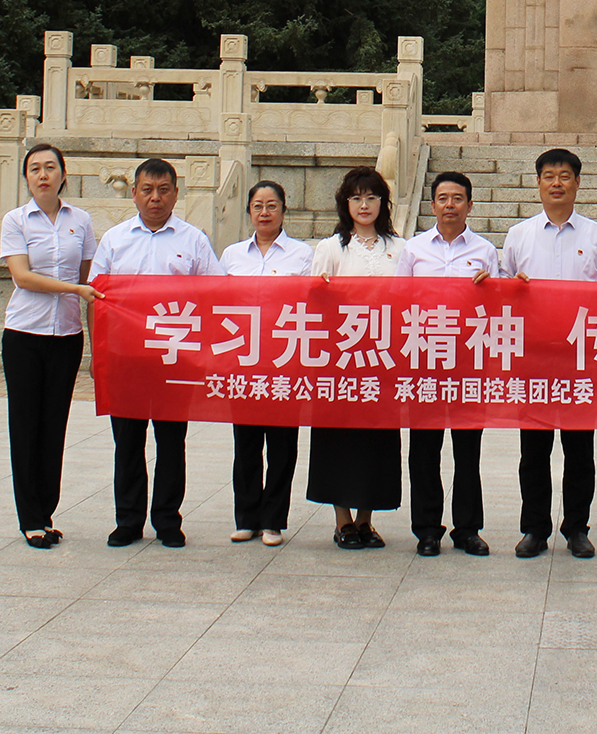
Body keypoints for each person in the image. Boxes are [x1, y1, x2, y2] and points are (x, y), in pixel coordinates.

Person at [496, 147, 597, 559]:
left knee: (579, 450)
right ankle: (534, 528)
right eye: (548, 176)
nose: (556, 183)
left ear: (577, 183)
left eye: (565, 176)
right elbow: (502, 289)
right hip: (533, 356)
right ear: (537, 183)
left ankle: (577, 529)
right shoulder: (519, 234)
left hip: (581, 359)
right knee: (533, 450)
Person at [89, 157, 220, 548]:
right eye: (147, 190)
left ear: (176, 194)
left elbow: (215, 296)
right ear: (133, 193)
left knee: (171, 442)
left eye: (164, 190)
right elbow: (95, 298)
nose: (155, 198)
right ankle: (128, 520)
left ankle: (167, 520)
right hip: (125, 358)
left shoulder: (193, 240)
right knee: (128, 442)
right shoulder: (115, 240)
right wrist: (96, 353)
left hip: (175, 357)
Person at [0, 143, 97, 549]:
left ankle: (46, 512)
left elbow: (91, 282)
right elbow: (22, 277)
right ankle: (30, 519)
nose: (43, 174)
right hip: (24, 335)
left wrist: (95, 344)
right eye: (35, 169)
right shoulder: (15, 220)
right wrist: (73, 289)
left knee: (54, 426)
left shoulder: (81, 221)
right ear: (27, 178)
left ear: (63, 175)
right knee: (25, 426)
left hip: (67, 336)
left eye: (50, 167)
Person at [398, 170, 497, 557]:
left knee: (468, 449)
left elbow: (500, 306)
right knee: (424, 448)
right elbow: (397, 301)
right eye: (443, 198)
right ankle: (427, 529)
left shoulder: (485, 251)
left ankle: (468, 528)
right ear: (433, 204)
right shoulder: (414, 249)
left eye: (457, 198)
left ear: (470, 205)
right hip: (424, 357)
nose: (450, 205)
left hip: (469, 359)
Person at [307, 166, 406, 549]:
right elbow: (314, 300)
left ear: (383, 203)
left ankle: (366, 520)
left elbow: (412, 298)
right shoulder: (331, 248)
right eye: (356, 198)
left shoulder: (400, 248)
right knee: (339, 440)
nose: (364, 205)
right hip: (340, 360)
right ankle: (343, 521)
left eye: (371, 197)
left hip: (384, 360)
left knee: (377, 440)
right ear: (344, 203)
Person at [216, 179, 313, 546]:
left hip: (285, 361)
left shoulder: (302, 255)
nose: (265, 212)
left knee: (282, 445)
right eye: (258, 206)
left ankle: (273, 521)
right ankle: (247, 518)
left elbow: (312, 306)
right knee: (246, 443)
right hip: (243, 361)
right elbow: (217, 304)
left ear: (284, 210)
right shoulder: (232, 256)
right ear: (249, 212)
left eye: (272, 205)